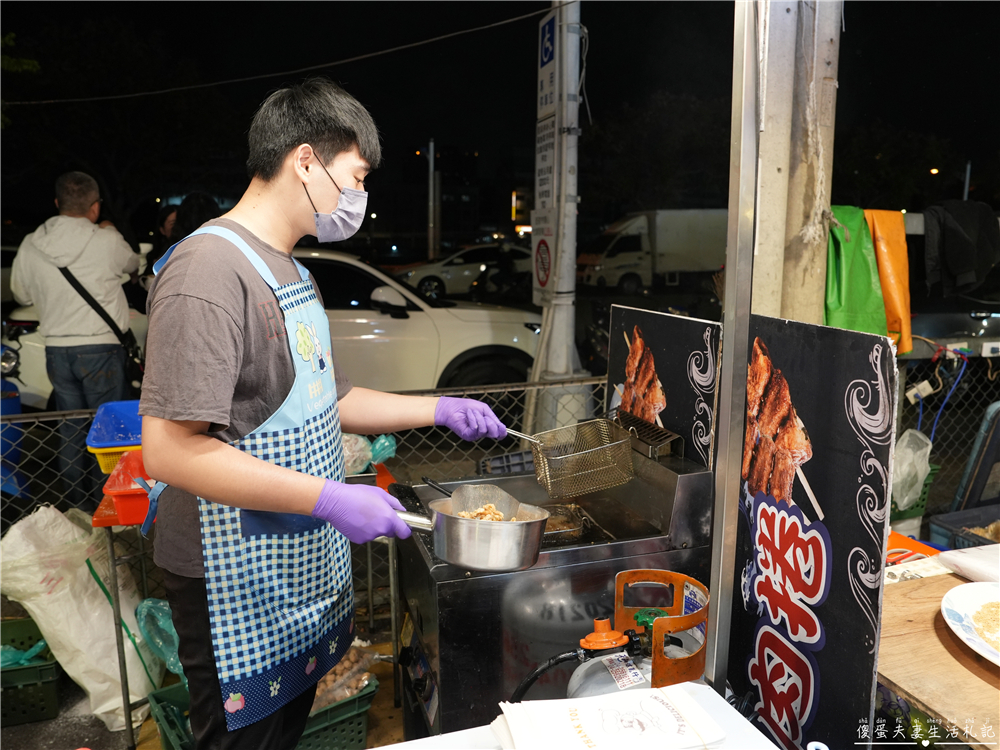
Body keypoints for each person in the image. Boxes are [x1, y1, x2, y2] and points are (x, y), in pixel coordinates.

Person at [139, 77, 507, 750]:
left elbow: (329, 399)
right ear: (305, 161)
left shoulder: (292, 271)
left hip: (292, 561)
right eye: (357, 176)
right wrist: (331, 499)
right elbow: (169, 450)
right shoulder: (207, 272)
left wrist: (439, 408)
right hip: (232, 576)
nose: (359, 196)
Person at [11, 171, 140, 508]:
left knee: (70, 429)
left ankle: (77, 506)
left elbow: (21, 293)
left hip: (57, 350)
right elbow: (133, 264)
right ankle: (105, 506)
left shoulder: (31, 243)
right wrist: (111, 231)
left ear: (58, 203)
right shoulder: (106, 240)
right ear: (95, 207)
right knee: (106, 430)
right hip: (101, 349)